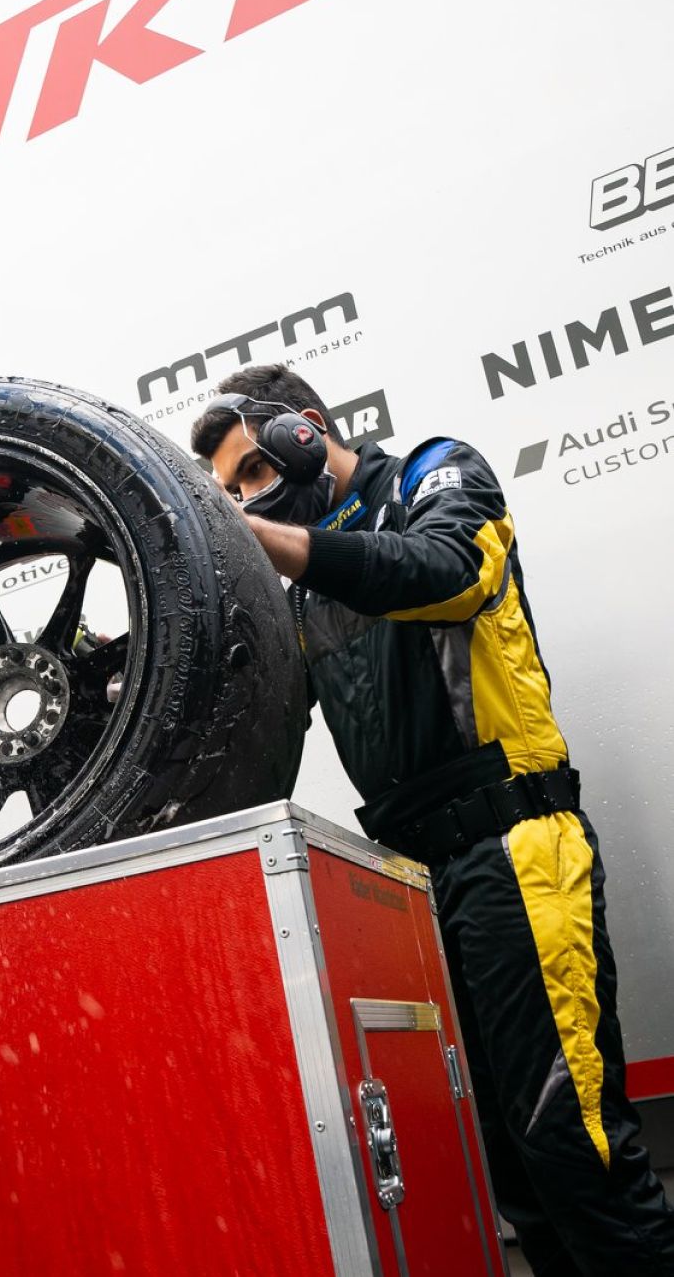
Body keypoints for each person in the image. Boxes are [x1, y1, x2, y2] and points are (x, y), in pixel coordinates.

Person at [191, 363, 674, 1276]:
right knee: (507, 1169)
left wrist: (267, 542)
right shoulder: (299, 595)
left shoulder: (434, 475)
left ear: (304, 430)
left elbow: (449, 573)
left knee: (575, 1151)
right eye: (230, 495)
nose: (247, 502)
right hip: (412, 893)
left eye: (253, 470)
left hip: (516, 854)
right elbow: (243, 709)